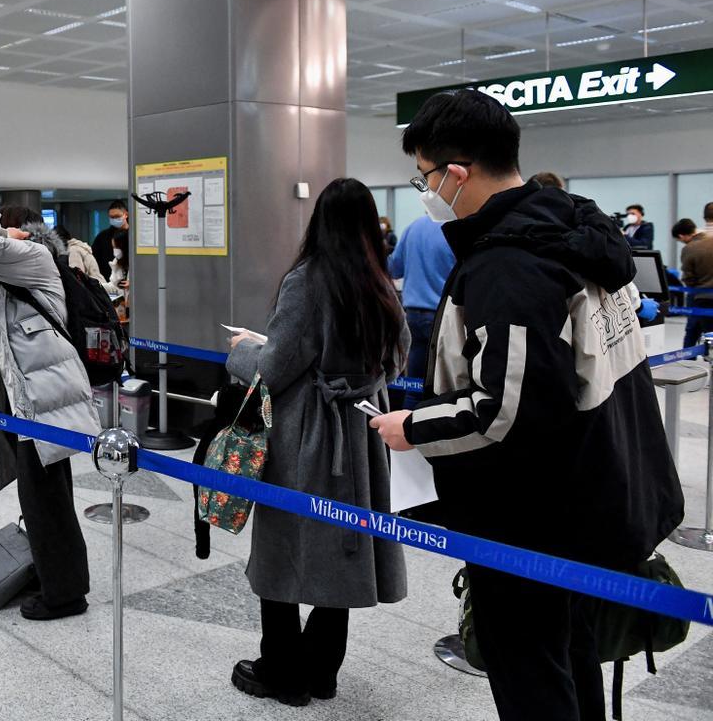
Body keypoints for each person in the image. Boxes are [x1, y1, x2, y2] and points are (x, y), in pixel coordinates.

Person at [369, 90, 683, 721]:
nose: (425, 189)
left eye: (425, 176)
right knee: (570, 651)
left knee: (529, 670)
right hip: (597, 489)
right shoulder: (574, 229)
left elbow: (504, 412)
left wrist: (413, 426)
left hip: (532, 515)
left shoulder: (510, 265)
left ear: (456, 173)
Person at [224, 178, 408, 707]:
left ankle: (282, 671)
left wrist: (241, 350)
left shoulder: (308, 280)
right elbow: (396, 357)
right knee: (344, 548)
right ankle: (322, 671)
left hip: (307, 433)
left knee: (283, 547)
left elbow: (275, 368)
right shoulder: (379, 282)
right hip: (362, 430)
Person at [0, 207, 100, 621]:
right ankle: (58, 575)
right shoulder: (8, 276)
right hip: (24, 405)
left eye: (0, 229)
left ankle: (65, 595)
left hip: (46, 404)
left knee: (46, 500)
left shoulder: (37, 258)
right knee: (43, 498)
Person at [388, 212, 455, 410]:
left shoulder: (412, 228)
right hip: (443, 319)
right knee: (447, 389)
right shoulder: (455, 229)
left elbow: (394, 268)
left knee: (414, 386)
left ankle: (406, 434)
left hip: (413, 317)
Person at [673, 217, 713, 347]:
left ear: (681, 236)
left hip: (702, 297)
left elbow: (688, 277)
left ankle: (689, 360)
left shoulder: (689, 248)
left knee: (694, 330)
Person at [56, 224, 116, 293]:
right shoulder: (78, 246)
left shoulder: (73, 250)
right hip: (98, 286)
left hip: (95, 290)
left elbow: (77, 278)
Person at [92, 199, 130, 281]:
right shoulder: (103, 237)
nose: (114, 219)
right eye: (112, 217)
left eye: (117, 216)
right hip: (108, 278)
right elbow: (95, 259)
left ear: (126, 214)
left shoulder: (135, 236)